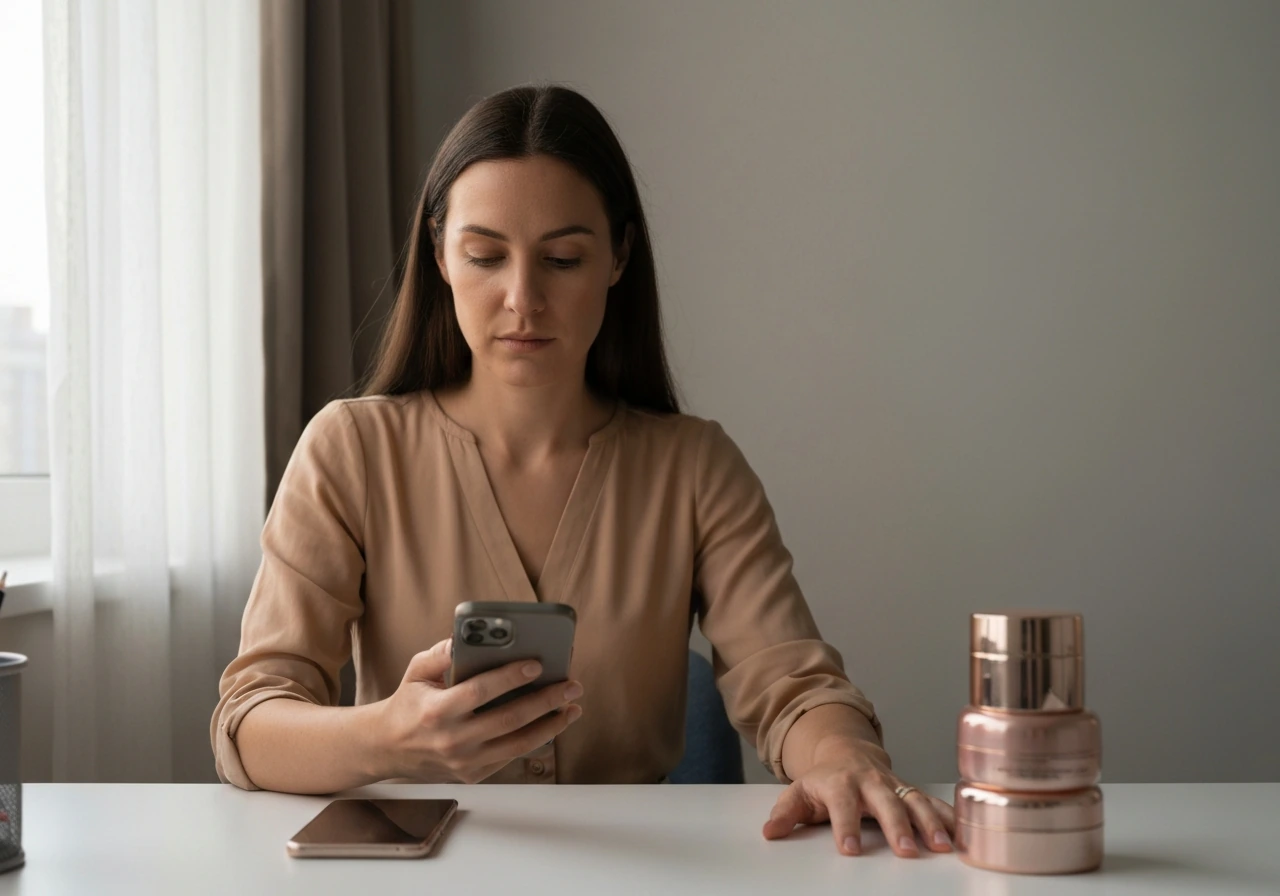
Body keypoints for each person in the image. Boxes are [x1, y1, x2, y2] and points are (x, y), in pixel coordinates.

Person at [211, 83, 955, 859]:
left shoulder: (695, 468)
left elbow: (791, 683)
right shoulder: (350, 451)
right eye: (484, 256)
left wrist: (842, 757)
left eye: (562, 259)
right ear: (439, 255)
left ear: (618, 257)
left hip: (634, 871)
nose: (522, 298)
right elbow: (250, 722)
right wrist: (389, 737)